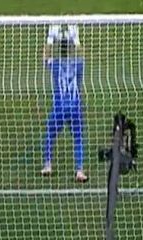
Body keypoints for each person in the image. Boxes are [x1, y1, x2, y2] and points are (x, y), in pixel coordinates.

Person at [41, 25, 88, 183]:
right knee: (78, 138)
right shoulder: (77, 64)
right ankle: (79, 170)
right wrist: (76, 39)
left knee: (49, 134)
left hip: (59, 108)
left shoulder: (55, 65)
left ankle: (48, 165)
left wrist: (50, 38)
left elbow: (45, 57)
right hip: (75, 107)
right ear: (70, 48)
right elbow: (82, 56)